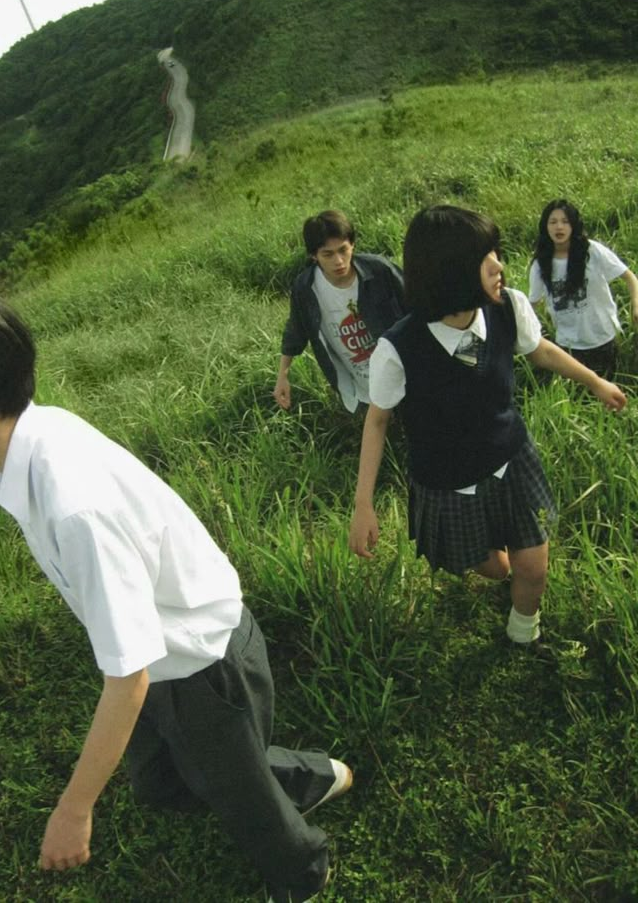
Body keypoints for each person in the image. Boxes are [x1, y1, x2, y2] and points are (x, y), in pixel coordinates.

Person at [0, 283, 352, 903]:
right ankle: (306, 774)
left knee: (239, 800)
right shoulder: (25, 441)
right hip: (170, 651)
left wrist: (73, 808)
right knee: (165, 783)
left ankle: (303, 871)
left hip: (201, 663)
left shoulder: (73, 506)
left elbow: (129, 676)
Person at [349, 206, 626, 648]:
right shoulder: (398, 349)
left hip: (511, 459)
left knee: (534, 566)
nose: (499, 264)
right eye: (485, 257)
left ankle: (523, 633)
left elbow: (541, 351)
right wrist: (364, 503)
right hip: (448, 480)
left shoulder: (508, 309)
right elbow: (377, 421)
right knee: (493, 567)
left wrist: (594, 381)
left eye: (495, 251)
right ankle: (500, 572)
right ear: (451, 271)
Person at [273, 210, 405, 413]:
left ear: (352, 244)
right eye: (328, 254)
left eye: (343, 250)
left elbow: (417, 307)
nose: (339, 261)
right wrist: (283, 376)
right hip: (363, 389)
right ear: (313, 255)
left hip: (404, 373)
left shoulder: (379, 271)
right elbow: (295, 332)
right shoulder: (306, 289)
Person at [528, 199, 638, 379]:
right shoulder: (540, 264)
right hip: (569, 346)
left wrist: (635, 304)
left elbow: (629, 277)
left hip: (603, 338)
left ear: (573, 225)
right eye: (553, 222)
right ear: (545, 227)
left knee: (607, 397)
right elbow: (532, 304)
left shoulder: (591, 251)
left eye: (565, 221)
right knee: (578, 399)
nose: (559, 227)